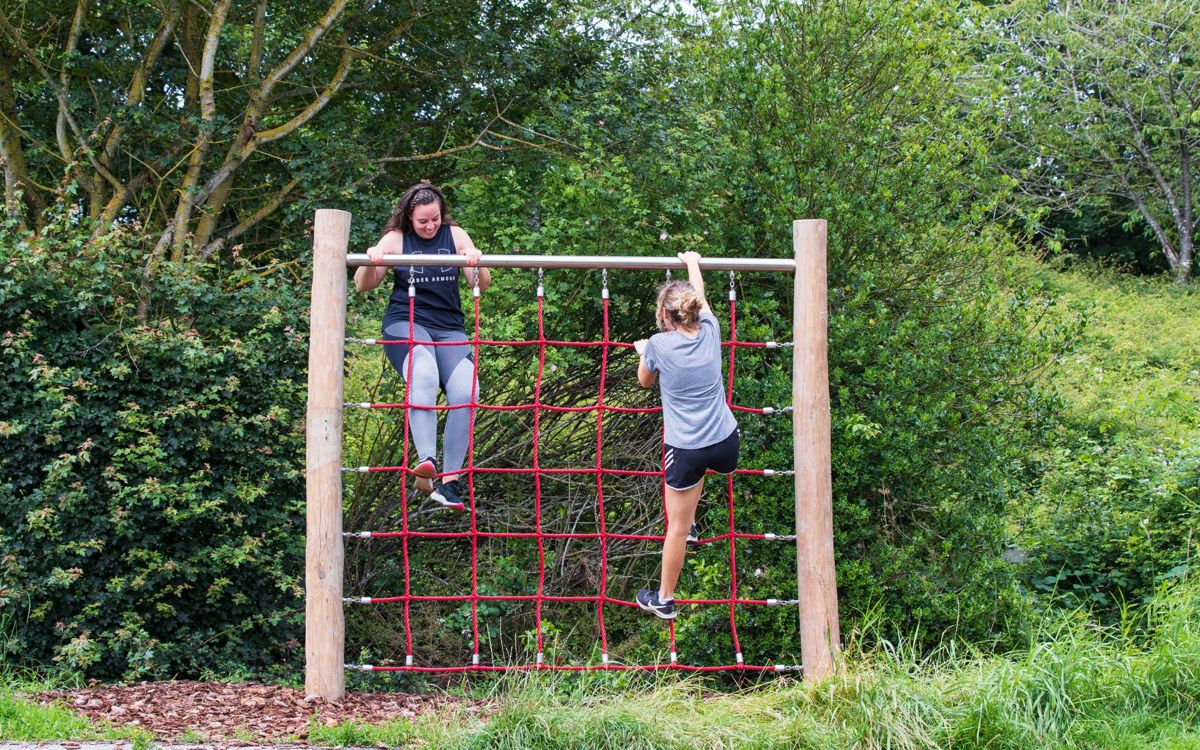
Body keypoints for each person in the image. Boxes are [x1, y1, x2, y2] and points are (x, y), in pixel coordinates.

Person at [354, 182, 491, 511]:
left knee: (467, 390)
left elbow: (480, 285)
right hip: (406, 321)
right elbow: (363, 285)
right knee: (425, 372)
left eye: (435, 219)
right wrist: (373, 260)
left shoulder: (456, 235)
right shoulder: (396, 240)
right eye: (423, 221)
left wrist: (476, 262)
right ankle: (426, 461)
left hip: (449, 327)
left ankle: (450, 483)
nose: (430, 226)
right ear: (408, 218)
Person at [632, 251, 740, 620]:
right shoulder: (712, 330)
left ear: (665, 316)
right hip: (726, 445)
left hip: (688, 450)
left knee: (675, 528)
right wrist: (693, 261)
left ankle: (664, 598)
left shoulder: (658, 345)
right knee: (700, 475)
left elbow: (645, 382)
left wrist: (645, 353)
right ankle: (691, 520)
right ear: (694, 309)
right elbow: (703, 294)